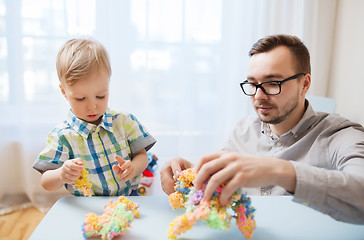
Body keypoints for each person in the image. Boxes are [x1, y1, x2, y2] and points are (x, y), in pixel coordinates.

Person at [160, 34, 364, 224]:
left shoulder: (340, 134)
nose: (258, 96)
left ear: (305, 84)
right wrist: (193, 177)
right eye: (252, 84)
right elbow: (220, 186)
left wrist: (279, 171)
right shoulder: (242, 131)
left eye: (273, 83)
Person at [33, 38, 156, 196]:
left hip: (128, 199)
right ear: (64, 92)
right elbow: (46, 182)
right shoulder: (62, 136)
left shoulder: (125, 122)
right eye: (81, 99)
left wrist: (133, 168)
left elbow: (142, 156)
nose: (92, 106)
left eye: (100, 96)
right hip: (87, 206)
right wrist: (61, 174)